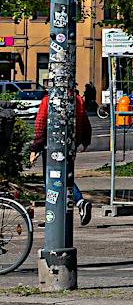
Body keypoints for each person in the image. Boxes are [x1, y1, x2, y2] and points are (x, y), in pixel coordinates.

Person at [33, 87, 93, 227]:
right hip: (70, 144)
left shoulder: (48, 100)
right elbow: (85, 121)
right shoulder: (77, 100)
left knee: (51, 180)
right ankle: (74, 206)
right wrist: (85, 141)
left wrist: (35, 147)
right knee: (65, 176)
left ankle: (53, 216)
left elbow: (40, 123)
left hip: (51, 146)